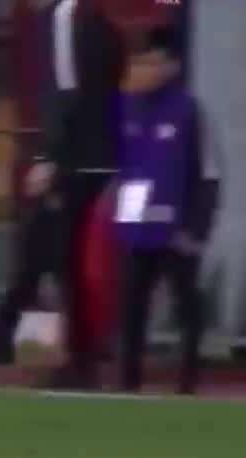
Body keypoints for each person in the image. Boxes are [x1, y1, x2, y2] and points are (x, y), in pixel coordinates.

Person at [0, 0, 123, 389]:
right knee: (45, 248)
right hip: (94, 155)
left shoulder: (65, 18)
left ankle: (76, 358)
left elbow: (68, 93)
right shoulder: (95, 19)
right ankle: (3, 335)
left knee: (60, 257)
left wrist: (48, 157)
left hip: (75, 160)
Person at [113, 28, 218, 395]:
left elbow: (208, 175)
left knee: (185, 303)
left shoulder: (187, 110)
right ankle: (129, 382)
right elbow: (120, 170)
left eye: (152, 62)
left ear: (172, 66)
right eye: (138, 62)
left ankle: (187, 381)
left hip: (176, 231)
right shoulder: (124, 107)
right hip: (135, 229)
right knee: (131, 306)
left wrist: (195, 229)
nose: (142, 69)